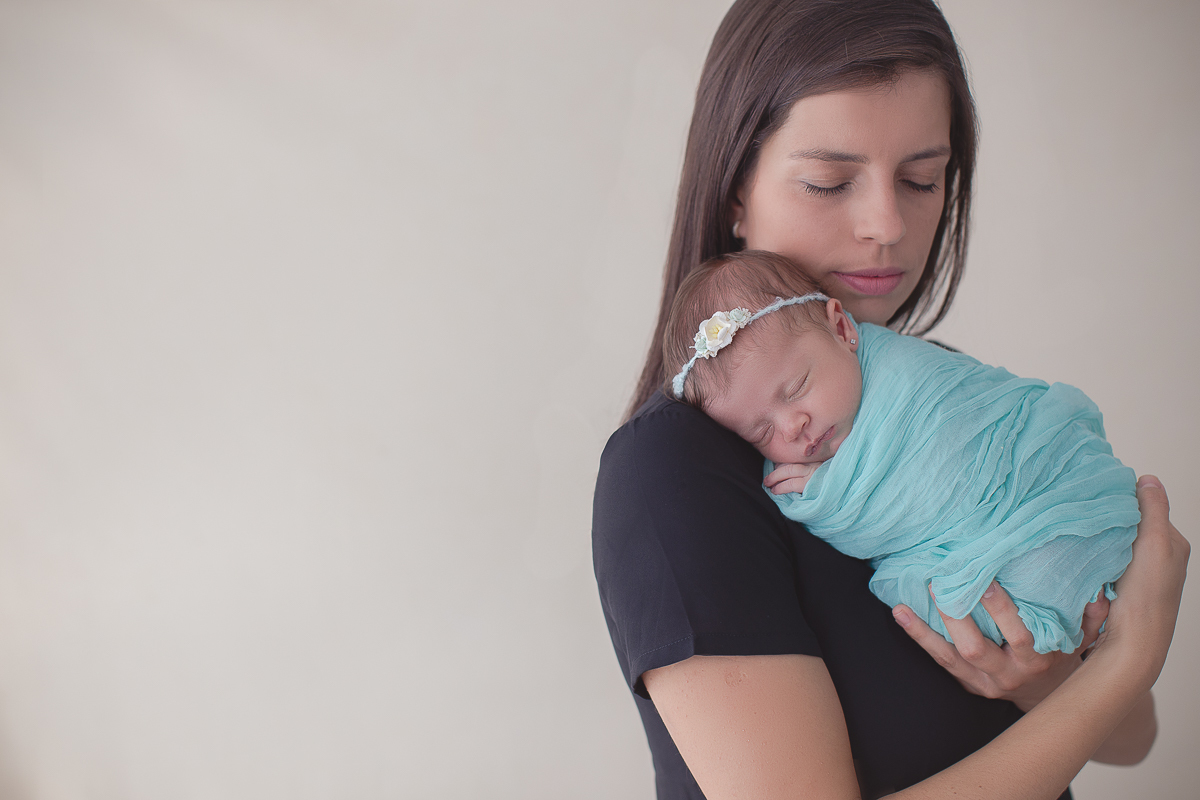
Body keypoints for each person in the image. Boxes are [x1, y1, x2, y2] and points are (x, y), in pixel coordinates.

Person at [590, 1, 1189, 799]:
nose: (886, 225)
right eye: (830, 181)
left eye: (921, 179)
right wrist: (1126, 665)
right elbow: (1118, 696)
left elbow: (1128, 740)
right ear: (735, 188)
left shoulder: (942, 395)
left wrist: (1039, 674)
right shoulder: (675, 471)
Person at [663, 249, 1139, 656]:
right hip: (1033, 586)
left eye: (797, 389)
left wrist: (835, 487)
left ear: (841, 328)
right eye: (760, 431)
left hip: (1057, 487)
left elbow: (947, 465)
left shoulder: (912, 375)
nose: (792, 428)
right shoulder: (674, 469)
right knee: (926, 593)